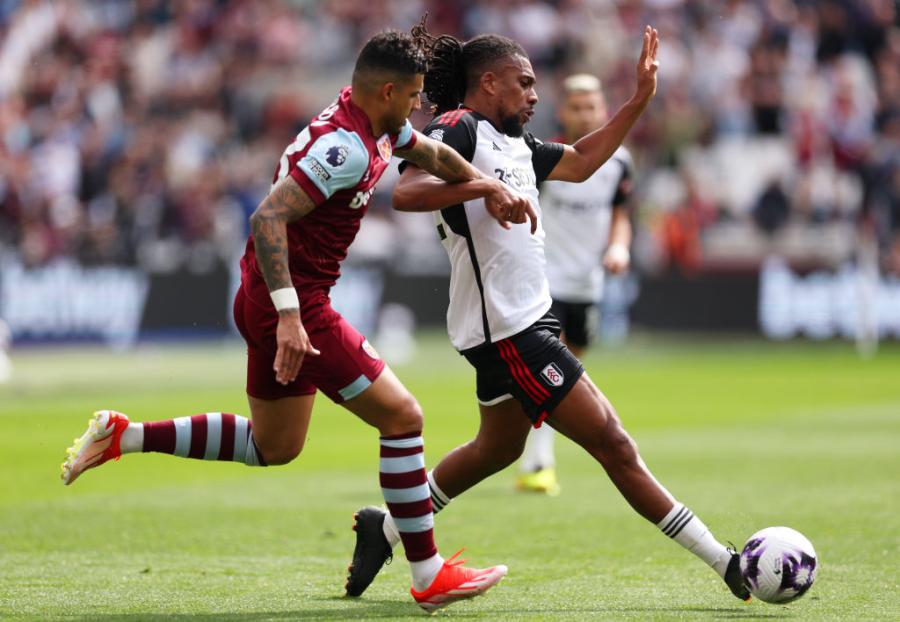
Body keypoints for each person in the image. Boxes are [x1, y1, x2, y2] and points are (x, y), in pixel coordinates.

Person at [59, 30, 534, 613]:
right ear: (386, 91)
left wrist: (484, 185)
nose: (417, 107)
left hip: (263, 295)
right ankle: (428, 573)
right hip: (295, 304)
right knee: (403, 417)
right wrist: (289, 315)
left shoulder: (375, 121)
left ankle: (123, 436)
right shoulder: (348, 148)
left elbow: (432, 155)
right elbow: (266, 219)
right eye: (411, 96)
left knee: (274, 445)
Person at [346, 23, 751, 603]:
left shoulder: (520, 146)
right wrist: (483, 189)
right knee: (614, 443)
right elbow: (407, 192)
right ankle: (725, 562)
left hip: (519, 323)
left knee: (499, 449)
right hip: (510, 331)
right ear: (489, 83)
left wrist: (638, 100)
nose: (536, 94)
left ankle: (384, 528)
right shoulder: (461, 127)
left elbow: (584, 161)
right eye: (525, 82)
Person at [515, 73, 635, 496]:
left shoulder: (619, 162)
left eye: (592, 107)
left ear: (603, 110)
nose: (586, 114)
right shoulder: (546, 158)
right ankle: (539, 460)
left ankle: (531, 450)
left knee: (567, 371)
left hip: (588, 283)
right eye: (577, 108)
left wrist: (619, 248)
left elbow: (620, 214)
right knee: (557, 373)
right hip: (546, 281)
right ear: (563, 111)